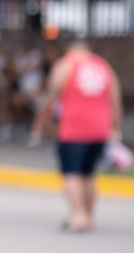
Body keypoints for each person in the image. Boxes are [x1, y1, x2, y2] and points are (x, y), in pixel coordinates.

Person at [30, 39, 123, 232]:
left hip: (73, 129)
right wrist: (115, 127)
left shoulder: (65, 65)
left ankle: (78, 216)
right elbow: (115, 99)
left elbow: (51, 97)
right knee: (88, 173)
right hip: (100, 129)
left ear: (69, 49)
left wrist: (40, 123)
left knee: (71, 173)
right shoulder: (103, 65)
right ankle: (88, 215)